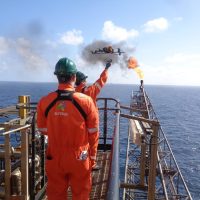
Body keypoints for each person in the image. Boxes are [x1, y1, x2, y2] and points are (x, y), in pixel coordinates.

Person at [37, 57, 99, 200]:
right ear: (74, 76)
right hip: (80, 156)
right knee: (81, 194)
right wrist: (92, 158)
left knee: (56, 194)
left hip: (54, 155)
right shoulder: (86, 101)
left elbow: (42, 129)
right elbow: (93, 133)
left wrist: (58, 127)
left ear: (57, 77)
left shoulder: (45, 101)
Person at [75, 61, 111, 169]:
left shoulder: (72, 93)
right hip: (91, 123)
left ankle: (81, 161)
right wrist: (106, 69)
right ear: (83, 81)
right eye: (85, 79)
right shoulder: (90, 91)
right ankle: (91, 163)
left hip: (78, 123)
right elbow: (101, 81)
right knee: (93, 142)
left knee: (81, 143)